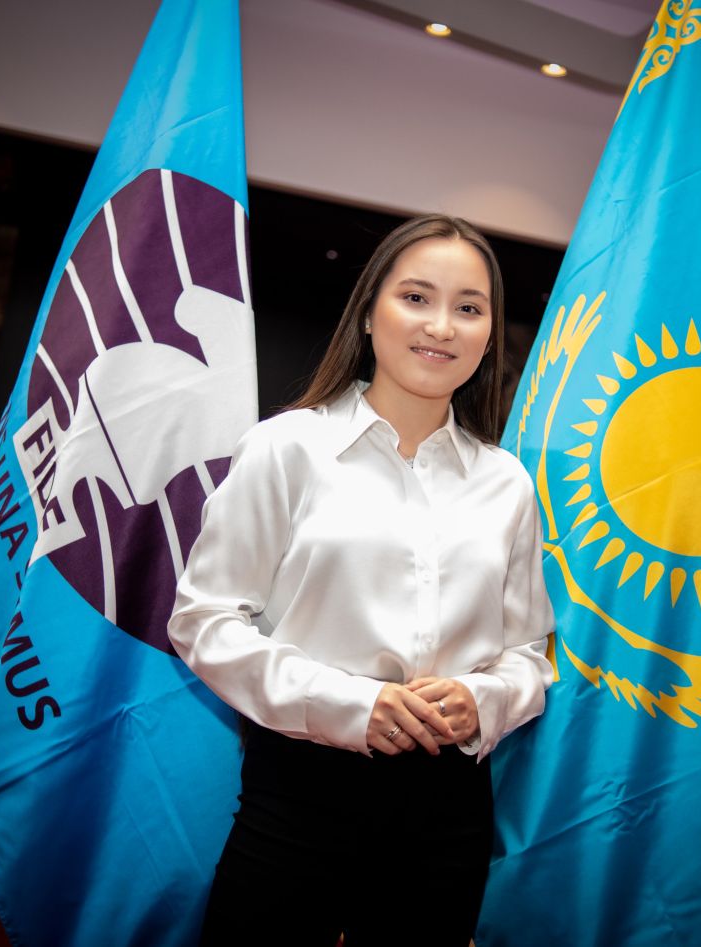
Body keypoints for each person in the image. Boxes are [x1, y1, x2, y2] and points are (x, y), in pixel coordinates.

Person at [168, 214, 555, 946]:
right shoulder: (286, 448)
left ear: (488, 336)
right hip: (299, 799)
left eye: (469, 308)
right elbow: (204, 621)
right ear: (370, 312)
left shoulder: (507, 482)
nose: (441, 325)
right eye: (416, 297)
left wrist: (481, 700)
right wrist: (351, 705)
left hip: (448, 814)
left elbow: (529, 655)